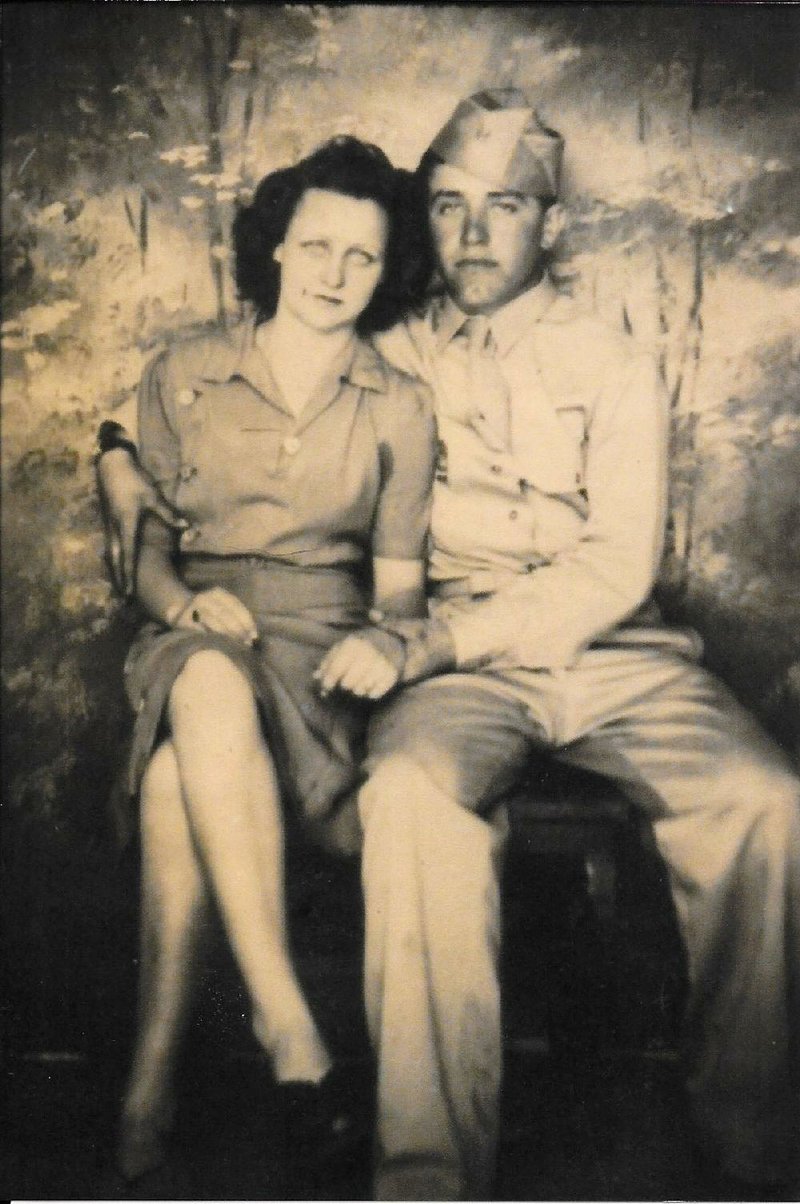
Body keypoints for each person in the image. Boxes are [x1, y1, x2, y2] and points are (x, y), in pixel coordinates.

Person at [97, 91, 800, 1201]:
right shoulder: (382, 342)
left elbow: (614, 569)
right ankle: (424, 1175)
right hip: (447, 665)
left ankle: (759, 1153)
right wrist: (118, 460)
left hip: (605, 649)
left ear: (550, 224)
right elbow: (235, 392)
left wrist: (428, 643)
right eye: (449, 208)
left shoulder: (614, 363)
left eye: (504, 207)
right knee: (412, 799)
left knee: (770, 802)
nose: (473, 235)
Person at [106, 135, 436, 1184]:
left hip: (319, 653)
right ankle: (290, 1027)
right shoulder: (186, 369)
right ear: (277, 250)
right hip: (194, 621)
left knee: (173, 782)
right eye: (317, 247)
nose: (335, 275)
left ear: (387, 275)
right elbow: (147, 556)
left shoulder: (396, 404)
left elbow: (396, 590)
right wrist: (183, 600)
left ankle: (148, 1087)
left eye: (363, 258)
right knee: (201, 671)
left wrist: (384, 638)